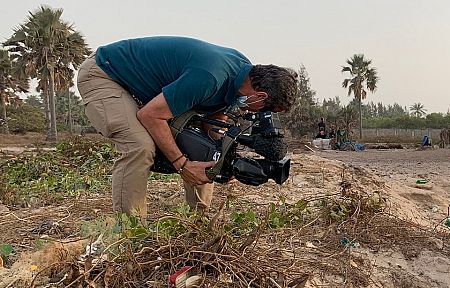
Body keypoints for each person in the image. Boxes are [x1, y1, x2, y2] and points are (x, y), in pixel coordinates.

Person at [76, 36, 298, 218]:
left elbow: (214, 116)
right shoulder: (210, 76)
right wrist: (182, 164)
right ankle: (129, 232)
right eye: (265, 108)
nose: (259, 113)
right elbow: (151, 115)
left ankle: (197, 223)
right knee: (139, 146)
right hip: (105, 74)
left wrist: (225, 160)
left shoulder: (243, 74)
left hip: (143, 89)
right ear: (260, 95)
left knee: (208, 150)